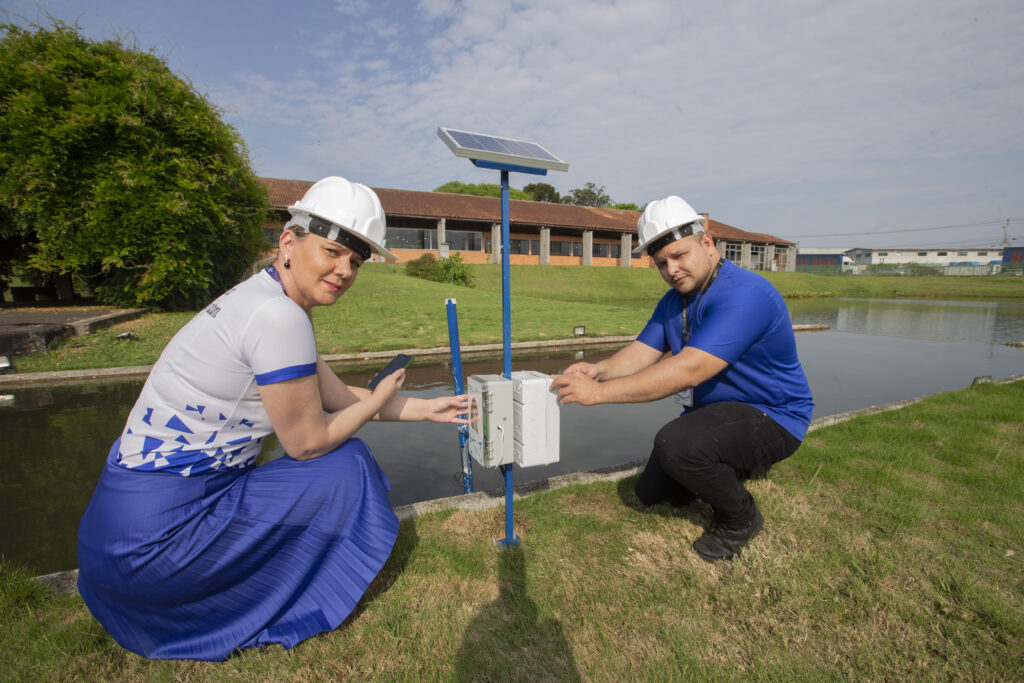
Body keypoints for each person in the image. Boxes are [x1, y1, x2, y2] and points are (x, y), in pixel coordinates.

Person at [76, 176, 468, 661]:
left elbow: (335, 395)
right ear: (288, 241)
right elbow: (306, 442)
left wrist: (428, 409)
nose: (344, 270)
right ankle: (291, 598)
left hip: (114, 542)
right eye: (332, 252)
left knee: (333, 459)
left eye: (356, 261)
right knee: (343, 465)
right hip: (155, 546)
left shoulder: (261, 299)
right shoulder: (279, 319)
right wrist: (376, 400)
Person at [551, 195, 813, 562]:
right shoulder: (675, 299)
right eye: (662, 263)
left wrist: (598, 393)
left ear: (707, 243)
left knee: (677, 444)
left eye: (680, 255)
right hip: (720, 413)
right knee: (653, 495)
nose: (672, 269)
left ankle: (741, 517)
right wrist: (600, 370)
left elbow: (688, 369)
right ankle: (735, 465)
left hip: (774, 415)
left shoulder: (747, 295)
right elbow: (643, 352)